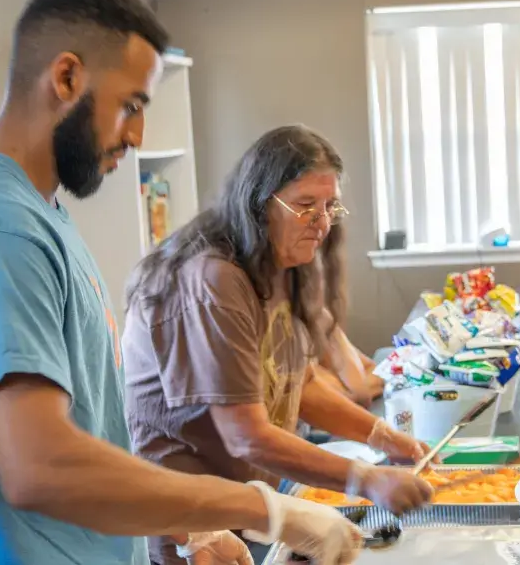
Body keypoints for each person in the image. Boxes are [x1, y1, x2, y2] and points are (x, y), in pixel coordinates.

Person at [0, 0, 361, 564]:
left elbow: (89, 432)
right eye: (131, 105)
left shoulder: (40, 216)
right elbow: (41, 466)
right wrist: (261, 510)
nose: (138, 133)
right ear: (66, 77)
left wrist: (183, 527)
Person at [121, 124, 434, 564]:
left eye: (330, 207)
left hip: (251, 500)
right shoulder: (215, 279)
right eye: (306, 205)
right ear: (259, 203)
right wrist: (364, 479)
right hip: (194, 524)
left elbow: (297, 383)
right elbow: (246, 435)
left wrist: (385, 437)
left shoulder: (283, 265)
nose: (322, 223)